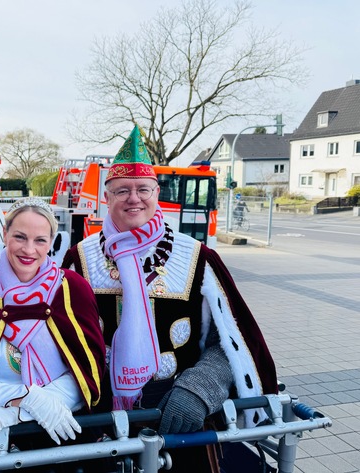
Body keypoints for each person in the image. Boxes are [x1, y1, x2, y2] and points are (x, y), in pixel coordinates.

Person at [62, 126, 277, 472]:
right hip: (97, 421)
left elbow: (231, 343)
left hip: (178, 418)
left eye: (142, 189)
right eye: (122, 191)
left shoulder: (197, 257)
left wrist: (199, 390)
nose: (134, 198)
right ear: (106, 197)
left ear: (156, 192)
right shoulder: (79, 259)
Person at [0, 197, 105, 453]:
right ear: (4, 234)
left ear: (51, 242)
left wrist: (22, 413)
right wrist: (27, 398)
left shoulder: (73, 289)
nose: (29, 250)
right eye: (20, 237)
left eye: (40, 240)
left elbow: (89, 369)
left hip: (63, 428)